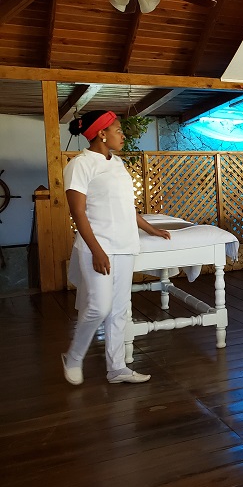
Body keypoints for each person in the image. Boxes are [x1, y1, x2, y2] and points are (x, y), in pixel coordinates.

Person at [61, 110, 171, 386]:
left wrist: (151, 229)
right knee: (99, 307)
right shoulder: (81, 165)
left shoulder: (118, 164)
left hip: (124, 245)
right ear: (101, 133)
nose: (123, 135)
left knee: (121, 308)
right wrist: (97, 250)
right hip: (97, 246)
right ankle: (73, 357)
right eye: (118, 130)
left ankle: (116, 368)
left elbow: (126, 208)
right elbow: (78, 212)